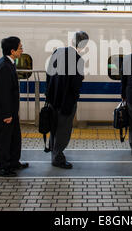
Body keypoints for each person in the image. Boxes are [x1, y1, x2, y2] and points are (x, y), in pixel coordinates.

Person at [45, 31, 89, 169]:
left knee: (54, 128)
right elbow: (76, 85)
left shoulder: (57, 52)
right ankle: (58, 157)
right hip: (66, 102)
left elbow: (49, 75)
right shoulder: (78, 60)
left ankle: (54, 152)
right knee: (63, 130)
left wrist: (49, 95)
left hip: (53, 99)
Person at [0, 36, 29, 177]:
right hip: (4, 113)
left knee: (14, 138)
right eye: (20, 47)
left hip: (11, 111)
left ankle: (13, 162)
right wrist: (7, 114)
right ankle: (0, 167)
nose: (22, 49)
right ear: (12, 51)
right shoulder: (4, 66)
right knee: (4, 141)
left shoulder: (8, 63)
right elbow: (4, 93)